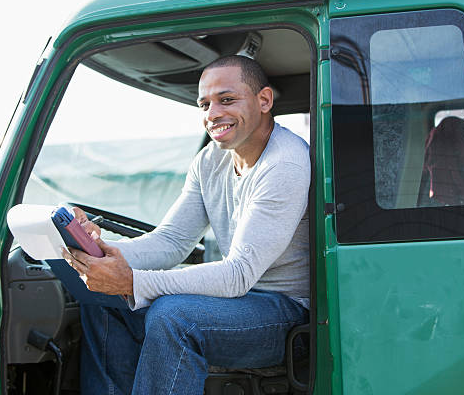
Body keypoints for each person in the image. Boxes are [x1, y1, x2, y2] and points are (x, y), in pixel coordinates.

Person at [62, 55, 311, 395]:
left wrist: (133, 281)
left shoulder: (284, 163)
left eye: (226, 100)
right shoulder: (210, 161)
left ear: (264, 100)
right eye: (204, 104)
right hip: (237, 302)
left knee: (174, 316)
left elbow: (238, 273)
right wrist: (104, 253)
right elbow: (173, 240)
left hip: (285, 313)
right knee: (103, 297)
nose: (212, 114)